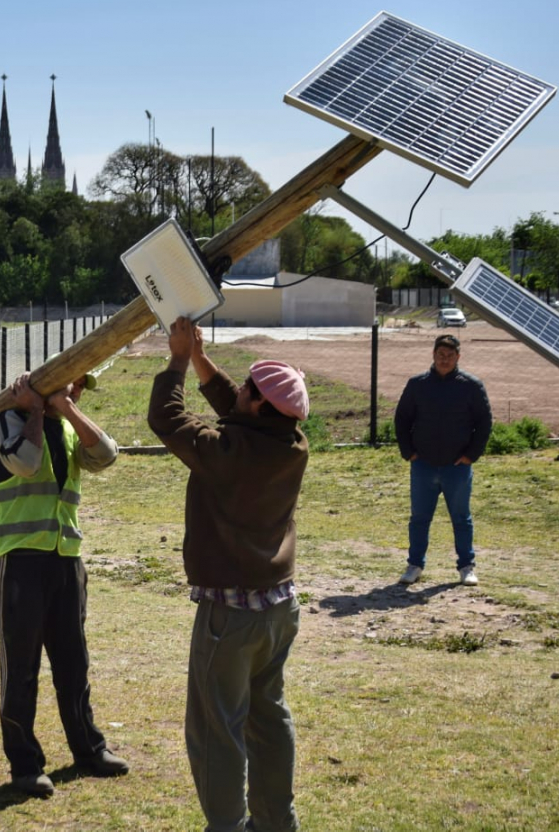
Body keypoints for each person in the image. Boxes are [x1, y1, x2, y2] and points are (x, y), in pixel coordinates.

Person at [147, 317, 311, 832]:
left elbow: (166, 419)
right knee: (268, 719)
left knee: (218, 732)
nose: (241, 388)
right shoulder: (291, 445)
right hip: (278, 610)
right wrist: (200, 359)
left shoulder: (230, 452)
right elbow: (239, 416)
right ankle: (275, 823)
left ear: (262, 405)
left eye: (250, 388)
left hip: (231, 617)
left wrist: (176, 360)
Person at [0, 367, 129, 797]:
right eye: (74, 383)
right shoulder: (4, 420)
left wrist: (65, 408)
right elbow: (26, 465)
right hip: (21, 561)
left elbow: (107, 455)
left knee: (74, 664)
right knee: (21, 671)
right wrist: (32, 410)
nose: (80, 391)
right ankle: (25, 766)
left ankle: (88, 750)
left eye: (83, 386)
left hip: (66, 560)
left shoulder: (68, 427)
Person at [393, 334, 492, 586]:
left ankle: (466, 566)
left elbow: (484, 423)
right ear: (433, 355)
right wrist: (409, 452)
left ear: (458, 357)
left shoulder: (471, 386)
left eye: (450, 355)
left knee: (461, 518)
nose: (444, 359)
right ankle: (415, 565)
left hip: (456, 467)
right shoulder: (418, 384)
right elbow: (402, 419)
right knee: (419, 518)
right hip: (423, 464)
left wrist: (471, 455)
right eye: (440, 355)